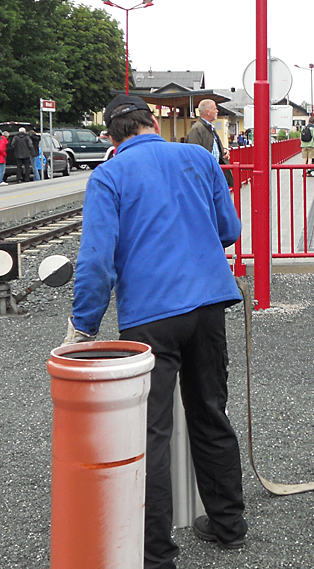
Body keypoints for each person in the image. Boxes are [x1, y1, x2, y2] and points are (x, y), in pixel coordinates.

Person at [63, 95, 248, 568]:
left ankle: (156, 552)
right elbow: (229, 229)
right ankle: (229, 524)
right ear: (151, 123)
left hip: (149, 318)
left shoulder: (108, 176)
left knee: (152, 432)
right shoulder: (197, 156)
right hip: (208, 304)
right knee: (211, 412)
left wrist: (82, 328)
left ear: (111, 136)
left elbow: (96, 261)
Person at [187, 99, 234, 188]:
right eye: (215, 109)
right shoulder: (197, 129)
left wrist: (222, 150)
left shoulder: (209, 127)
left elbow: (210, 144)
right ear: (208, 112)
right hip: (205, 175)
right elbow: (193, 154)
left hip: (212, 173)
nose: (217, 111)